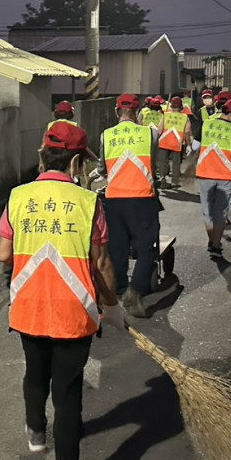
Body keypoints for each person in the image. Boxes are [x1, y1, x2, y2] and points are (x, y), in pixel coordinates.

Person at [0, 121, 123, 460]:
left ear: (42, 154)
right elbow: (101, 263)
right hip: (73, 312)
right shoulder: (89, 203)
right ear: (74, 161)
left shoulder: (18, 197)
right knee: (68, 396)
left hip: (29, 307)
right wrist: (114, 306)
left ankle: (36, 430)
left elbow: (3, 254)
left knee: (35, 372)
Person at [100, 94, 160, 317]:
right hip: (143, 198)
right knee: (145, 249)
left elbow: (103, 168)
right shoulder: (149, 133)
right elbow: (152, 164)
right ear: (137, 113)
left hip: (114, 200)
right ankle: (135, 291)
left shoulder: (106, 136)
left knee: (118, 248)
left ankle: (119, 289)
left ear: (117, 112)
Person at [194, 97, 231, 256]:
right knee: (221, 212)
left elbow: (195, 146)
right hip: (226, 177)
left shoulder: (206, 124)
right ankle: (216, 245)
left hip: (204, 174)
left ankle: (212, 240)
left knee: (207, 211)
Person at [159, 96, 193, 189]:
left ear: (171, 106)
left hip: (164, 142)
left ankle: (162, 179)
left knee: (163, 162)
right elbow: (187, 132)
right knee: (176, 163)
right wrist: (188, 145)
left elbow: (159, 129)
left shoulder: (165, 115)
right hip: (176, 144)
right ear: (181, 107)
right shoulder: (184, 117)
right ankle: (174, 182)